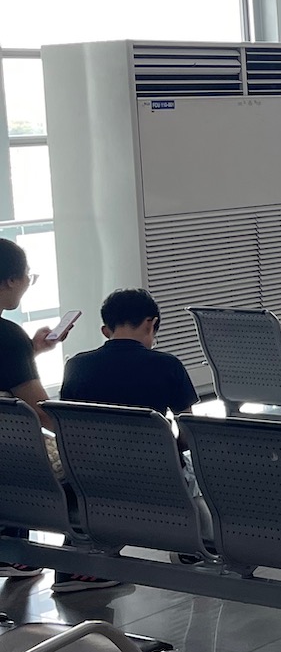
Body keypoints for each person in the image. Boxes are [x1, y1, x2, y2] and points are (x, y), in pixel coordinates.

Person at [0, 238, 77, 579]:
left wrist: (31, 350)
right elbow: (42, 413)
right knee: (84, 466)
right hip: (12, 466)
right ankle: (79, 568)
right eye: (28, 275)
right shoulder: (7, 336)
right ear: (11, 280)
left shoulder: (14, 342)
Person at [61, 289, 199, 416]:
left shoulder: (75, 366)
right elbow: (188, 432)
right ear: (150, 324)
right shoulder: (169, 365)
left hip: (91, 443)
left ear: (105, 331)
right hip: (151, 443)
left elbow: (66, 424)